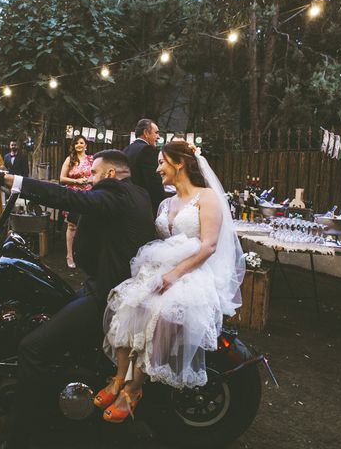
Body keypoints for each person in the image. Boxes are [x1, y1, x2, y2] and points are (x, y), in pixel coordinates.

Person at [0, 149, 155, 448]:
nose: (90, 180)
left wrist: (7, 179)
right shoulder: (139, 194)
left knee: (31, 348)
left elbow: (68, 197)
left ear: (110, 174)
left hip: (107, 297)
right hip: (113, 288)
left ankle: (22, 437)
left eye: (94, 174)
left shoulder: (115, 194)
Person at [95, 141, 245, 423]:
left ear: (179, 163)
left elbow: (209, 246)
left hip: (193, 273)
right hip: (161, 268)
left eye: (161, 162)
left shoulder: (207, 198)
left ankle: (134, 388)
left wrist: (174, 275)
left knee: (161, 314)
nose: (157, 168)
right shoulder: (166, 202)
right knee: (128, 305)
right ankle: (118, 378)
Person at [59, 135, 93, 269]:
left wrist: (89, 181)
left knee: (86, 225)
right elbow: (62, 178)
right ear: (73, 146)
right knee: (72, 226)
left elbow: (96, 175)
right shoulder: (70, 160)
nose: (79, 145)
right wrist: (76, 181)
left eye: (81, 142)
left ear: (86, 145)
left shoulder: (92, 159)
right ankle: (69, 255)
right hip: (73, 196)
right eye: (76, 143)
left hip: (88, 195)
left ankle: (84, 255)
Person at [123, 118, 167, 216]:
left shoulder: (126, 149)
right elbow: (154, 183)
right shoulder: (147, 150)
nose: (158, 137)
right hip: (146, 207)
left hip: (129, 203)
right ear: (146, 133)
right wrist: (163, 207)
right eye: (156, 133)